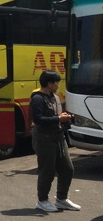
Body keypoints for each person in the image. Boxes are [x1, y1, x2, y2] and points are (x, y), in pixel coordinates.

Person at [30, 70, 80, 212]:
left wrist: (66, 118)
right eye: (56, 82)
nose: (58, 85)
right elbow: (38, 119)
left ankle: (61, 199)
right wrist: (58, 118)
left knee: (67, 169)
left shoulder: (55, 97)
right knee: (47, 171)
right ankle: (42, 200)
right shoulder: (37, 99)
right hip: (44, 139)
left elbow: (57, 116)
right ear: (49, 83)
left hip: (59, 137)